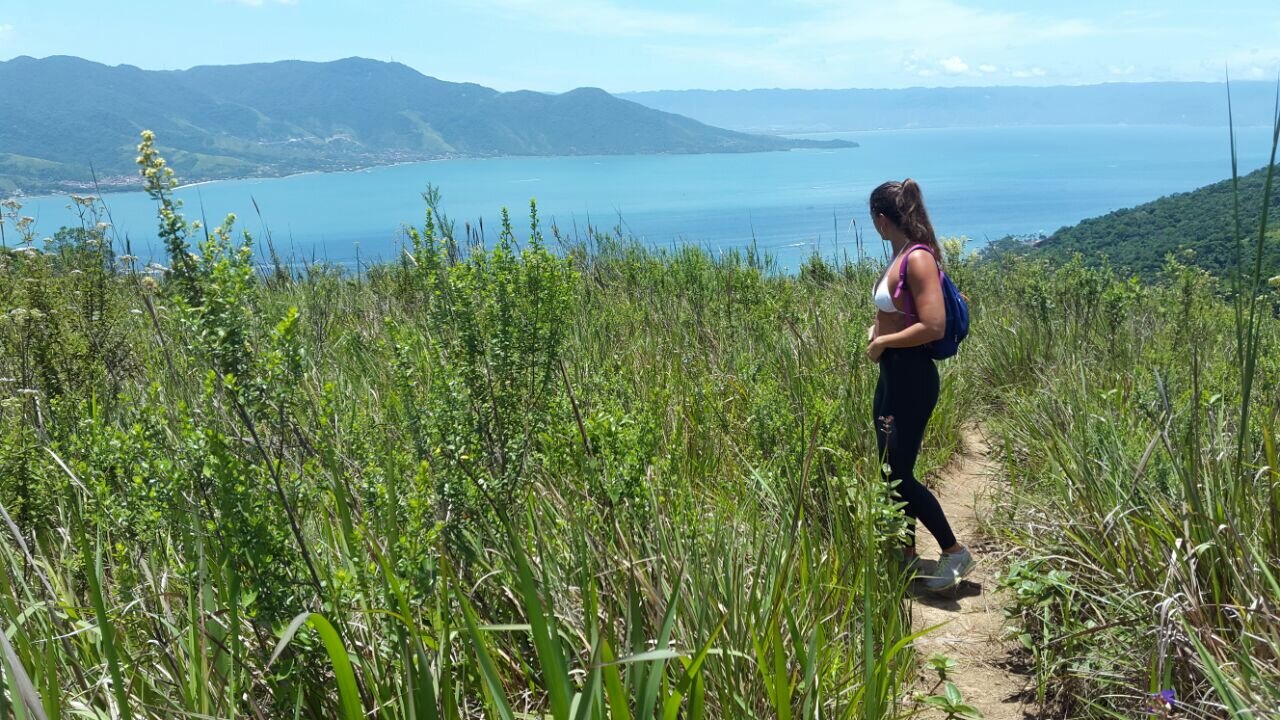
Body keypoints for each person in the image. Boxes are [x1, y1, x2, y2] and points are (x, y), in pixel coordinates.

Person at [865, 178, 973, 592]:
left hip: (911, 377)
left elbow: (933, 325)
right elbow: (898, 314)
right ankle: (905, 556)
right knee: (888, 471)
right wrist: (878, 337)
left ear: (880, 220)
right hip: (892, 374)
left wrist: (883, 343)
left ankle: (953, 552)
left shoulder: (918, 259)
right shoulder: (899, 256)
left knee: (900, 473)